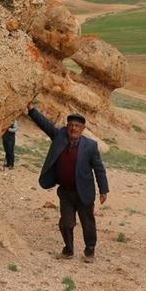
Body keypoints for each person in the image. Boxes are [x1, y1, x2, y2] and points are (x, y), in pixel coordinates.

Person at [28, 106, 109, 263]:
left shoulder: (90, 146)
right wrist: (32, 111)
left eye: (77, 126)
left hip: (84, 192)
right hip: (66, 192)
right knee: (66, 223)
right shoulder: (59, 136)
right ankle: (68, 249)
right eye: (71, 124)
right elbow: (45, 124)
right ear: (67, 126)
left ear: (82, 129)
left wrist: (103, 189)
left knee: (88, 223)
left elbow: (99, 169)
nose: (73, 128)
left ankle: (90, 250)